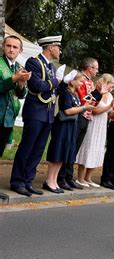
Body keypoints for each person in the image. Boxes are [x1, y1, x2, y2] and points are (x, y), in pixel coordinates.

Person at [10, 35, 62, 197]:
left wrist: (61, 82)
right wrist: (56, 81)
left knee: (38, 150)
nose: (60, 51)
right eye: (58, 47)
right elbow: (38, 85)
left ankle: (27, 181)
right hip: (35, 112)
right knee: (27, 147)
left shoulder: (53, 68)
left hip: (47, 114)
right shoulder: (33, 62)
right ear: (50, 47)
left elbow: (52, 89)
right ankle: (17, 181)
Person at [43, 71, 94, 193]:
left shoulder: (74, 94)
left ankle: (54, 180)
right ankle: (49, 180)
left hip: (71, 125)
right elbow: (67, 111)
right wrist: (83, 108)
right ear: (72, 81)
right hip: (63, 126)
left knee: (63, 154)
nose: (82, 83)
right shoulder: (66, 93)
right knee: (57, 152)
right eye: (80, 80)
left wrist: (84, 108)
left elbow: (75, 110)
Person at [58, 57, 99, 190]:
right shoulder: (79, 78)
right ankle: (62, 176)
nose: (96, 71)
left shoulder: (90, 82)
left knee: (74, 149)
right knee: (70, 147)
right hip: (79, 116)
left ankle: (68, 176)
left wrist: (97, 95)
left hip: (86, 117)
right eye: (96, 68)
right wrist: (97, 94)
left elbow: (91, 102)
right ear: (90, 68)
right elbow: (82, 99)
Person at [0, 36, 30, 200]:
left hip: (7, 117)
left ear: (20, 50)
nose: (11, 49)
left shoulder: (19, 67)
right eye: (8, 46)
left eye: (15, 47)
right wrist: (13, 79)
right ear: (3, 47)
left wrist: (21, 84)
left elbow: (20, 95)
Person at [75, 73, 114, 187]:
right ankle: (80, 177)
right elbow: (95, 111)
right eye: (110, 86)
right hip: (94, 122)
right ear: (104, 83)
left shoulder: (110, 96)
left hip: (102, 124)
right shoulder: (96, 93)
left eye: (112, 87)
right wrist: (109, 106)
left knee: (97, 149)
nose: (111, 88)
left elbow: (109, 113)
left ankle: (88, 178)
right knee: (88, 148)